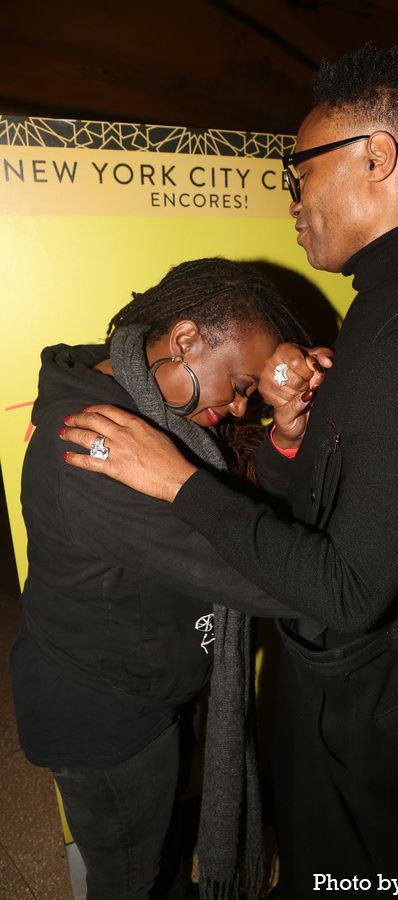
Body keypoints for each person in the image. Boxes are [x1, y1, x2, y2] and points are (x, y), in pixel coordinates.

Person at [60, 44, 398, 899]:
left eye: (298, 170)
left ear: (378, 156)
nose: (291, 201)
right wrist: (292, 439)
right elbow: (335, 504)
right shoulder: (380, 307)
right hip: (344, 662)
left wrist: (177, 480)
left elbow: (346, 590)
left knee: (352, 872)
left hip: (377, 673)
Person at [10, 258, 319, 900]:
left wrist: (285, 441)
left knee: (161, 855)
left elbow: (241, 505)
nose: (239, 407)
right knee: (131, 878)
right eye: (238, 384)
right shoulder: (96, 447)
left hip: (146, 682)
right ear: (183, 340)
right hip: (105, 715)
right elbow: (252, 567)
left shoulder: (137, 397)